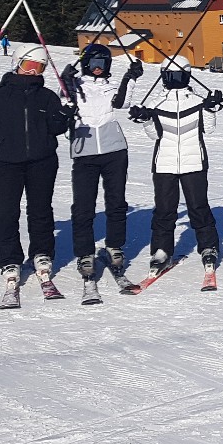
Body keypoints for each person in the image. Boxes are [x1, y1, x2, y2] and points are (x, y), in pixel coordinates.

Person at [0, 43, 76, 288]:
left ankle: (42, 252)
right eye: (29, 65)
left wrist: (64, 115)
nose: (33, 72)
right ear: (17, 64)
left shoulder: (47, 96)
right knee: (5, 212)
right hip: (6, 163)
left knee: (40, 210)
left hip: (42, 161)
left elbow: (56, 128)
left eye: (39, 67)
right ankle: (9, 259)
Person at [128, 57, 223, 274]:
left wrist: (210, 109)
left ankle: (208, 246)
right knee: (164, 209)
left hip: (194, 162)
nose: (175, 80)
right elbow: (154, 135)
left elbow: (208, 129)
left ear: (188, 76)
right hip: (165, 164)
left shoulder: (198, 100)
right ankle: (162, 250)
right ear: (163, 77)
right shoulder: (155, 103)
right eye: (170, 76)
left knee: (198, 206)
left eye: (179, 75)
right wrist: (146, 119)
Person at [62, 44, 142, 291]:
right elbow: (63, 105)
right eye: (94, 63)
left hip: (114, 150)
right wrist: (65, 82)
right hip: (84, 152)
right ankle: (85, 253)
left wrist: (131, 77)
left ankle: (114, 246)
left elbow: (122, 103)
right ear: (86, 64)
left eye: (103, 64)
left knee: (116, 202)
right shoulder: (76, 86)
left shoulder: (110, 86)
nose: (98, 68)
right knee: (83, 206)